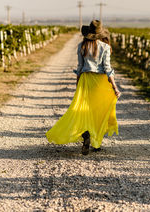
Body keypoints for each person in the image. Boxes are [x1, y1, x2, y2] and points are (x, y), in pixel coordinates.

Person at [46, 20, 121, 155]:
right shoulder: (105, 47)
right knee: (98, 112)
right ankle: (96, 142)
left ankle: (86, 134)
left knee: (84, 110)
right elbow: (107, 69)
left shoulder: (82, 46)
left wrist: (78, 85)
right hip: (100, 82)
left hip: (85, 80)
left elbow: (79, 68)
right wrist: (115, 87)